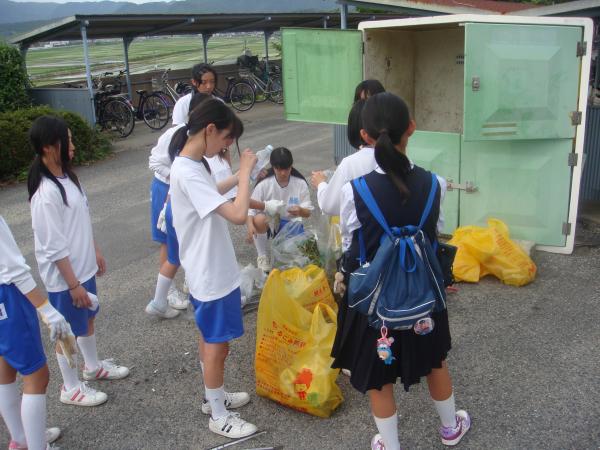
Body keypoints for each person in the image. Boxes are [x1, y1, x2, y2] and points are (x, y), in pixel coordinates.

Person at [331, 93, 470, 450]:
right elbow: (433, 234)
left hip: (376, 304)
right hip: (423, 296)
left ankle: (390, 445)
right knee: (435, 360)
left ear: (366, 135)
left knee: (380, 376)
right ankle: (450, 429)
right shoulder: (433, 183)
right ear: (411, 127)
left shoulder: (354, 191)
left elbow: (352, 247)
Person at [169, 98, 258, 439]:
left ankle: (214, 395)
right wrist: (247, 173)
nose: (226, 146)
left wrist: (239, 177)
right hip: (209, 273)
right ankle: (218, 414)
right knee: (216, 344)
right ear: (209, 130)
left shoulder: (193, 165)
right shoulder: (189, 170)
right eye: (225, 138)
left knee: (215, 341)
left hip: (211, 269)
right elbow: (237, 215)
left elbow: (212, 192)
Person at [27, 115, 129, 407]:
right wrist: (72, 285)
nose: (72, 145)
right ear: (49, 147)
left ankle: (92, 366)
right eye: (66, 140)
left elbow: (81, 219)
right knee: (67, 331)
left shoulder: (68, 177)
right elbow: (53, 246)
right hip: (65, 278)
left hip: (81, 267)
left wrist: (94, 249)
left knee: (87, 318)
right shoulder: (45, 193)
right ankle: (70, 387)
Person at [0, 216, 65, 450]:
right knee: (37, 375)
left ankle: (21, 438)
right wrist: (46, 308)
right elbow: (13, 268)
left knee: (4, 368)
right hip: (7, 297)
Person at [147, 92, 211, 318]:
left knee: (185, 242)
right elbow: (154, 161)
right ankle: (166, 294)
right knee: (169, 243)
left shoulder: (202, 137)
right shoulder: (175, 134)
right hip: (165, 188)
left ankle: (179, 290)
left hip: (181, 188)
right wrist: (175, 176)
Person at [246, 147, 313, 273]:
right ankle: (262, 256)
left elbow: (308, 212)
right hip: (270, 223)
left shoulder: (300, 183)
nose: (283, 173)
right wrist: (250, 226)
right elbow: (251, 209)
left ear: (291, 166)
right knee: (259, 219)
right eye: (278, 169)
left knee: (293, 261)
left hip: (292, 225)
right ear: (273, 167)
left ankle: (284, 249)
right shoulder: (265, 183)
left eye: (286, 169)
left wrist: (300, 210)